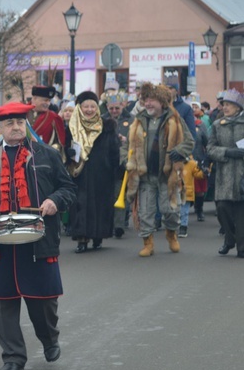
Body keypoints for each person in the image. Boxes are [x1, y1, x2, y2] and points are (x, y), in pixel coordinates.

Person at [0, 101, 76, 370]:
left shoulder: (46, 155)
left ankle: (49, 338)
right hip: (0, 242)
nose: (16, 127)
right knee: (5, 302)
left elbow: (68, 188)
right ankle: (13, 357)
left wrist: (54, 200)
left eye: (20, 122)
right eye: (10, 123)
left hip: (38, 240)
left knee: (43, 301)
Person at [125, 83, 194, 257]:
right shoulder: (139, 120)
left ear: (162, 102)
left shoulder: (175, 120)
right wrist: (124, 160)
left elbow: (189, 141)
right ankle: (147, 243)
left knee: (170, 210)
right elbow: (127, 145)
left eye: (151, 100)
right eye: (145, 100)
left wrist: (179, 151)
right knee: (145, 212)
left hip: (167, 175)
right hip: (145, 175)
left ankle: (171, 234)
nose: (147, 103)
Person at [66, 92, 120, 252]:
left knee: (100, 204)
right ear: (79, 108)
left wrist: (116, 168)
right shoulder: (72, 126)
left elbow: (114, 149)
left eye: (92, 106)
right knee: (80, 204)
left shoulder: (107, 126)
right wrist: (68, 154)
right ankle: (81, 239)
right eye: (86, 106)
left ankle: (98, 236)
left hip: (102, 172)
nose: (89, 110)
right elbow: (65, 147)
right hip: (79, 172)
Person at [206, 89, 244, 257]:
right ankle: (229, 239)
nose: (225, 107)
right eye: (224, 104)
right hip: (224, 174)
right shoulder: (217, 125)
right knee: (222, 209)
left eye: (229, 104)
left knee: (241, 214)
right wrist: (227, 152)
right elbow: (210, 149)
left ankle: (241, 247)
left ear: (238, 107)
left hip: (242, 175)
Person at [106, 93, 134, 237]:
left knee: (120, 194)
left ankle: (118, 225)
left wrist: (125, 140)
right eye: (111, 108)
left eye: (117, 108)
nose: (114, 111)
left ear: (123, 106)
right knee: (106, 194)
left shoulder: (131, 120)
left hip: (122, 162)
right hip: (106, 162)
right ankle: (107, 224)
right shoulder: (102, 119)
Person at [31, 85, 67, 158]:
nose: (48, 103)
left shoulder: (54, 118)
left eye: (49, 101)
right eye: (45, 100)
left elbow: (60, 143)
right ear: (34, 99)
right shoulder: (22, 114)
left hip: (44, 159)